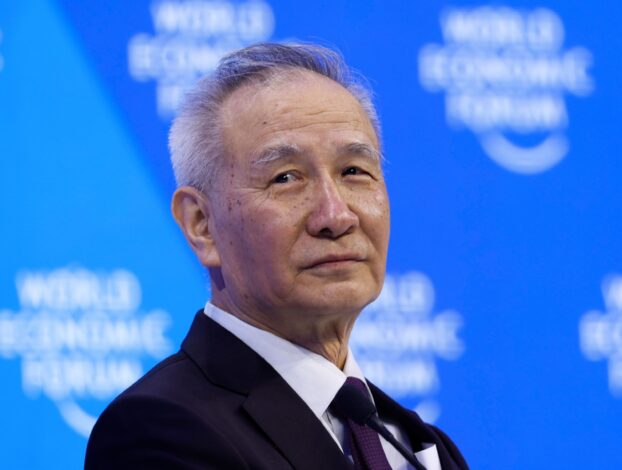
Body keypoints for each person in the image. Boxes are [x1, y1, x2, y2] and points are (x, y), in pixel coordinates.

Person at [85, 43, 468, 470]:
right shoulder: (159, 431)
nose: (336, 216)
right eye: (285, 178)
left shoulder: (416, 443)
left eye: (354, 171)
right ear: (201, 224)